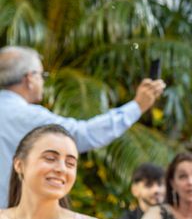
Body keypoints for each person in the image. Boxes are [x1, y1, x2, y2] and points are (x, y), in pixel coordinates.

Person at [0, 45, 165, 208]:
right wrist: (137, 106)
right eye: (42, 75)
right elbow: (83, 134)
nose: (43, 81)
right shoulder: (27, 116)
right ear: (29, 78)